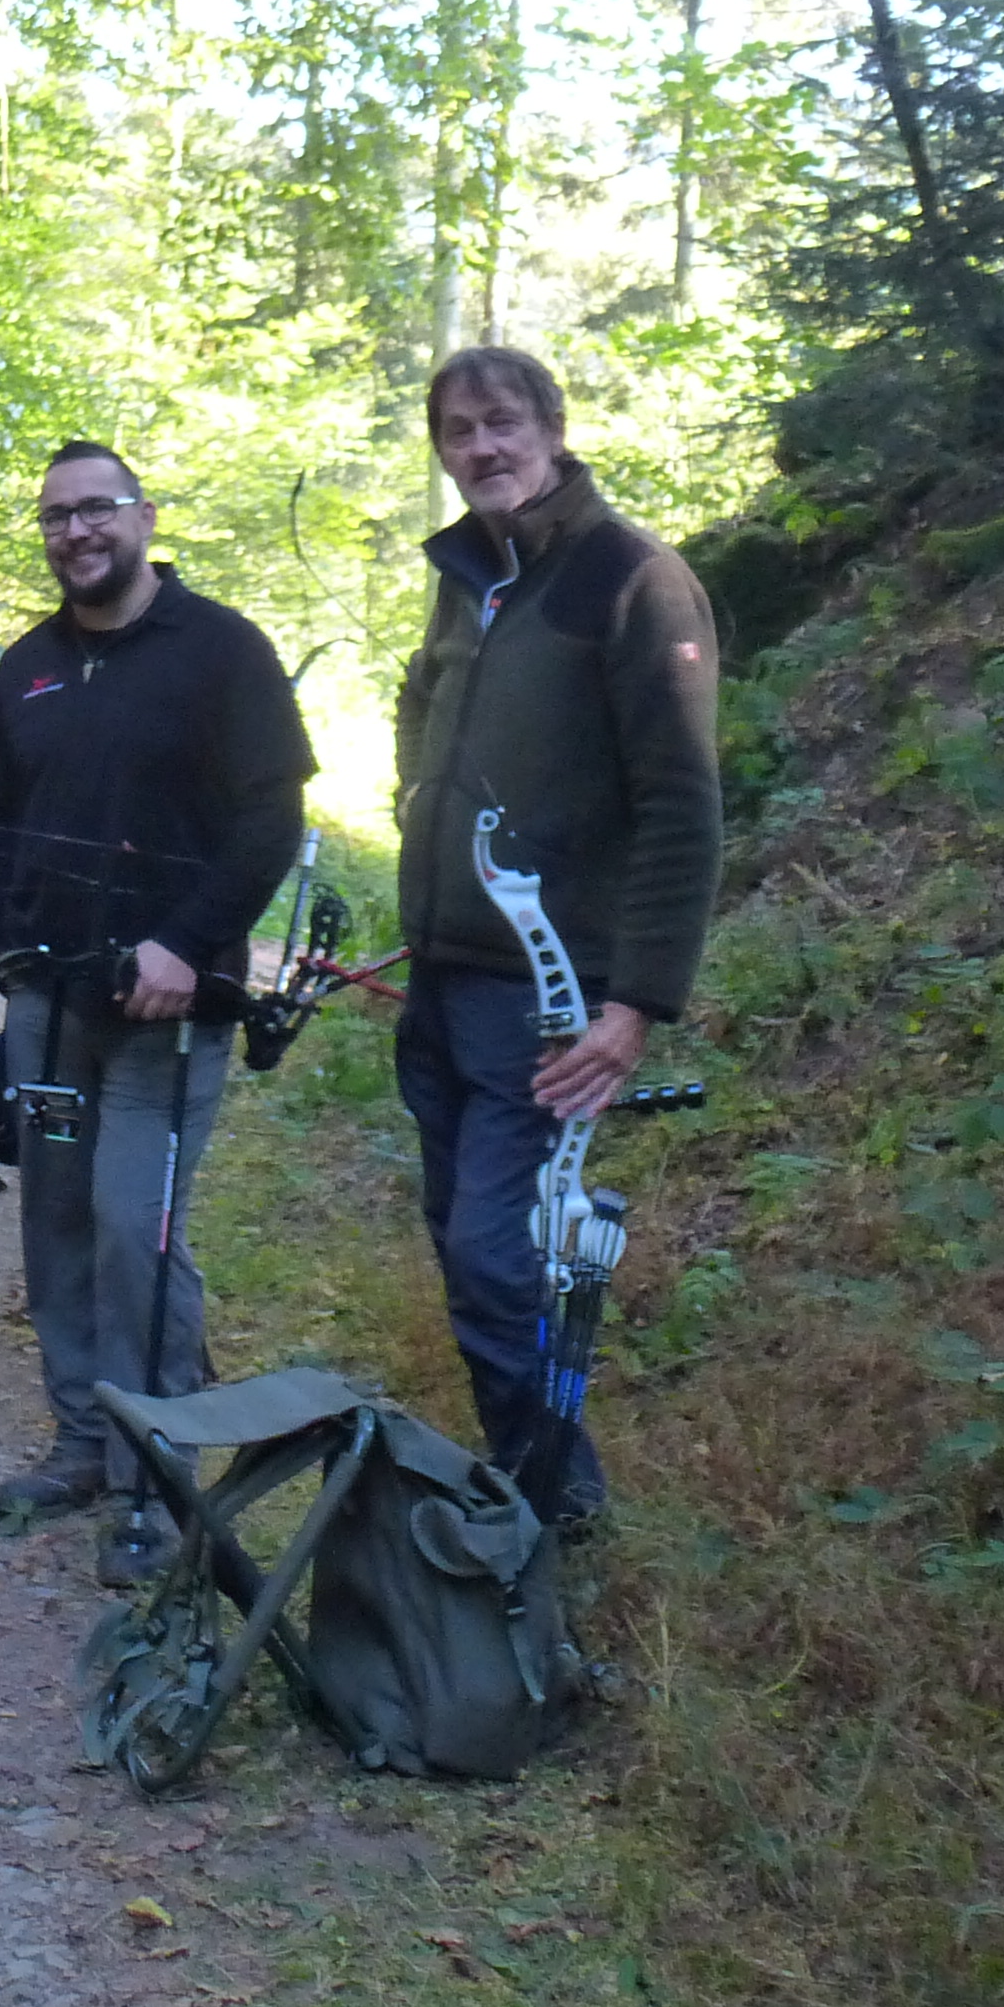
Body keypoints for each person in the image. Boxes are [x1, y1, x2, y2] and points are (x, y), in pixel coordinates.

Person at [0, 441, 312, 1585]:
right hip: (46, 1005)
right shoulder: (27, 668)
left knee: (130, 1228)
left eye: (95, 508)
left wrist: (187, 945)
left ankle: (156, 1478)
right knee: (54, 1222)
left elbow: (269, 823)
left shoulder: (222, 651)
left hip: (169, 1013)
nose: (75, 532)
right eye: (55, 516)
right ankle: (81, 1442)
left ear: (143, 516)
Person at [392, 347, 720, 1531]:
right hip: (442, 982)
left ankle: (558, 1510)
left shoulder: (631, 578)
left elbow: (682, 804)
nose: (480, 448)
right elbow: (420, 702)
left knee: (497, 1252)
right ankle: (528, 1491)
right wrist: (420, 816)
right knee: (463, 1242)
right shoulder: (470, 577)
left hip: (547, 998)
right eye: (457, 430)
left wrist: (634, 1006)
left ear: (550, 427)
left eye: (501, 423)